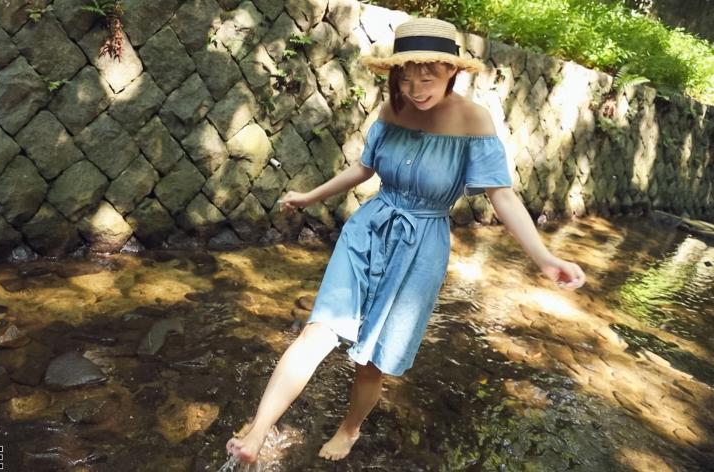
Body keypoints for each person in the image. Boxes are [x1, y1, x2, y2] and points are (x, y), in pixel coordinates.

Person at [226, 17, 586, 464]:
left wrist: (544, 257)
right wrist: (310, 196)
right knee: (319, 331)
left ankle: (350, 428)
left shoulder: (474, 120)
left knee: (372, 359)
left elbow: (501, 195)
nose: (415, 89)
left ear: (451, 71)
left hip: (421, 248)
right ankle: (258, 432)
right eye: (405, 78)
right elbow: (364, 168)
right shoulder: (391, 110)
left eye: (427, 77)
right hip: (369, 228)